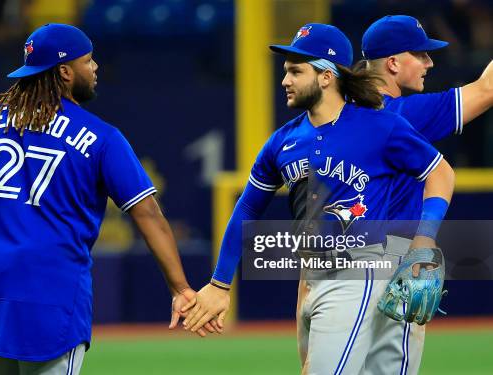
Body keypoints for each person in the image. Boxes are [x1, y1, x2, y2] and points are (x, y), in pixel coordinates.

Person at [181, 23, 455, 374]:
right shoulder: (282, 142)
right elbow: (248, 206)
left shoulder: (379, 126)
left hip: (362, 270)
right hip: (312, 277)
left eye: (296, 71)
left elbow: (440, 172)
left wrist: (423, 240)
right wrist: (220, 283)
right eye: (286, 71)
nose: (285, 80)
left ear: (326, 77)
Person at [0, 23, 201, 374]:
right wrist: (180, 288)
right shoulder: (100, 137)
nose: (95, 68)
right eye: (88, 60)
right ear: (65, 72)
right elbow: (148, 214)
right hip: (51, 291)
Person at [357, 15, 493, 375]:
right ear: (393, 63)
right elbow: (488, 88)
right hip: (391, 258)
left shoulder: (342, 116)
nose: (430, 63)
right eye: (421, 54)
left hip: (339, 264)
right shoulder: (402, 115)